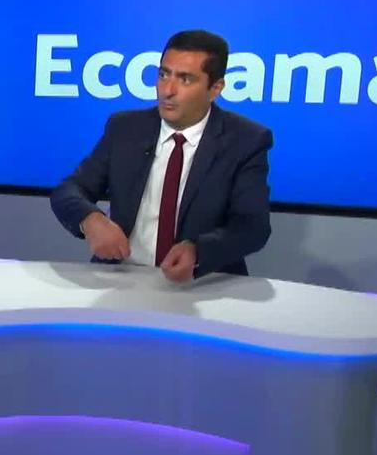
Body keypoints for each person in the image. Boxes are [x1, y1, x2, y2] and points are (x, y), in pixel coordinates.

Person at [50, 29, 272, 282]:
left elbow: (252, 227)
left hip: (201, 282)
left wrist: (198, 251)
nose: (168, 90)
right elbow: (69, 190)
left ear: (215, 88)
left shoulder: (245, 140)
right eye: (163, 75)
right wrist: (90, 220)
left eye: (185, 79)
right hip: (123, 277)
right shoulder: (125, 128)